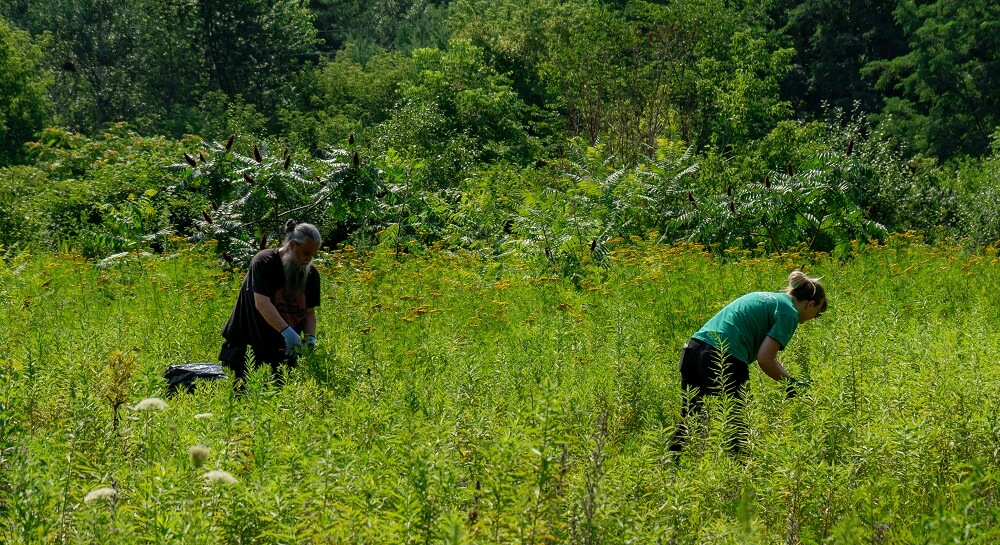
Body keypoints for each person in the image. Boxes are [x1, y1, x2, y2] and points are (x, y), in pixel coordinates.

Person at [670, 270, 827, 453]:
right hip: (724, 356)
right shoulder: (789, 313)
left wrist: (788, 380)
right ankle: (736, 476)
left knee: (689, 420)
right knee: (739, 428)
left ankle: (669, 468)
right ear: (811, 304)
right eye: (818, 314)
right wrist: (791, 386)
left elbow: (769, 358)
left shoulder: (768, 298)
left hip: (694, 350)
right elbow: (765, 359)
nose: (814, 319)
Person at [218, 220, 322, 388]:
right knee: (241, 405)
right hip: (247, 350)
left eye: (313, 255)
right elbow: (262, 303)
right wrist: (288, 332)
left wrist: (310, 338)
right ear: (292, 246)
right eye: (306, 253)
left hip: (282, 354)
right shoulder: (264, 262)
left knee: (279, 407)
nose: (309, 259)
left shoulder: (311, 274)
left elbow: (309, 312)